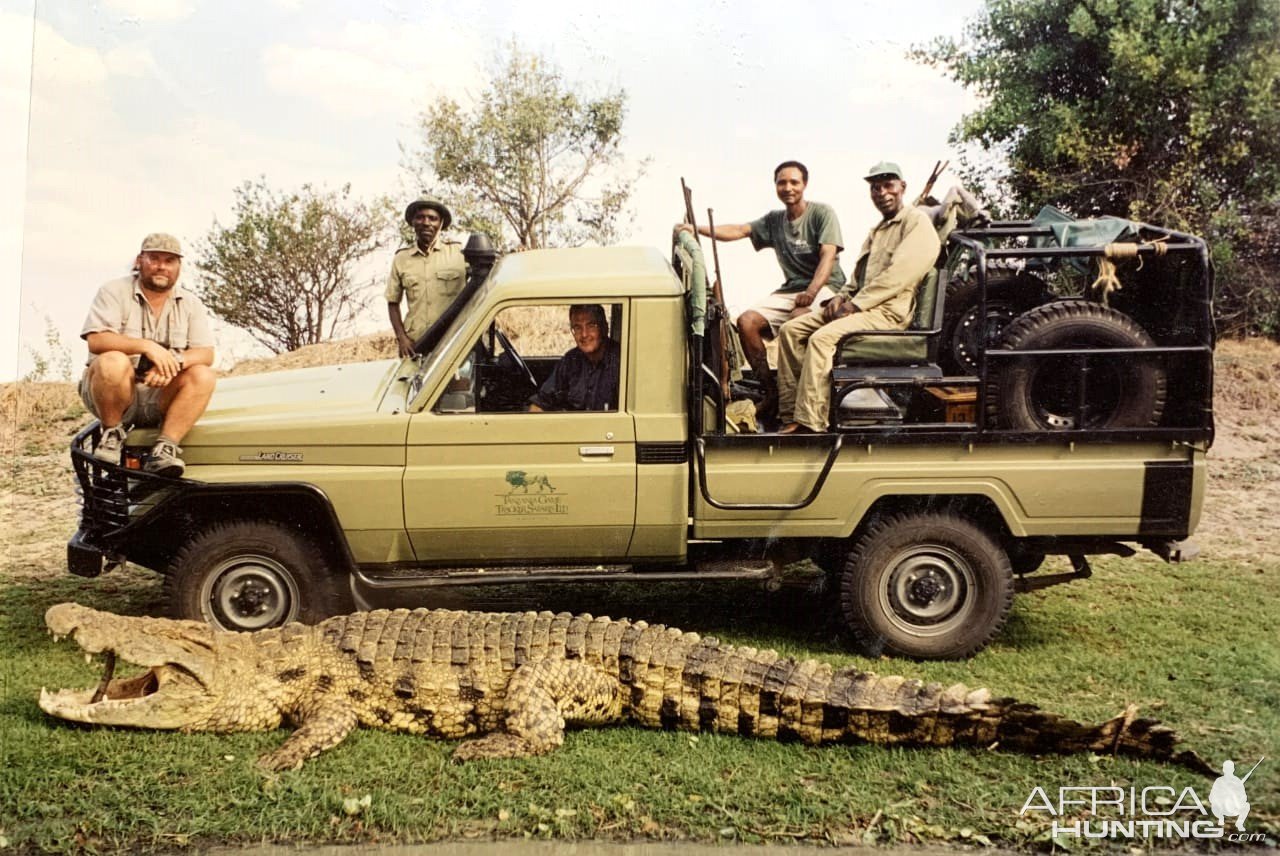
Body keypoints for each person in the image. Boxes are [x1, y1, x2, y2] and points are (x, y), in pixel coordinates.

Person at [776, 161, 941, 434]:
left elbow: (898, 277)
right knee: (790, 330)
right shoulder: (877, 230)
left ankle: (811, 422)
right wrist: (840, 298)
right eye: (875, 188)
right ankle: (791, 413)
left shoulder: (916, 223)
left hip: (887, 314)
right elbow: (857, 277)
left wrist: (855, 305)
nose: (882, 193)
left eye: (888, 185)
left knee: (821, 338)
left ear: (902, 187)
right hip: (864, 308)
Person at [676, 161, 846, 419]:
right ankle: (771, 391)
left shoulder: (822, 213)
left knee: (797, 321)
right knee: (747, 322)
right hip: (792, 290)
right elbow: (740, 230)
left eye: (794, 182)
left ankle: (802, 400)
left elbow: (828, 257)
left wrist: (810, 294)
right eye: (782, 182)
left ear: (804, 185)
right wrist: (697, 228)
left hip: (826, 288)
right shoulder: (774, 220)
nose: (788, 188)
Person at [79, 233, 217, 477]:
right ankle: (111, 433)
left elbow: (206, 353)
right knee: (112, 360)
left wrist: (173, 363)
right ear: (139, 260)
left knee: (203, 375)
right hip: (116, 393)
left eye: (170, 260)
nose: (162, 266)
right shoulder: (113, 291)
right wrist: (147, 347)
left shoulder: (191, 303)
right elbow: (96, 339)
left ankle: (166, 447)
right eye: (154, 258)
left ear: (179, 266)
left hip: (159, 395)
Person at [387, 195, 468, 358]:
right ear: (413, 222)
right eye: (420, 217)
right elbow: (392, 302)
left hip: (452, 343)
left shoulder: (459, 253)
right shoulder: (401, 259)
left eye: (432, 218)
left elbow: (489, 274)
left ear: (441, 224)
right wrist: (402, 338)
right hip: (416, 345)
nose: (426, 222)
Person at [528, 304, 621, 412]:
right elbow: (540, 404)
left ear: (604, 327)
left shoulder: (621, 361)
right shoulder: (570, 360)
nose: (584, 334)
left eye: (591, 325)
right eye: (577, 328)